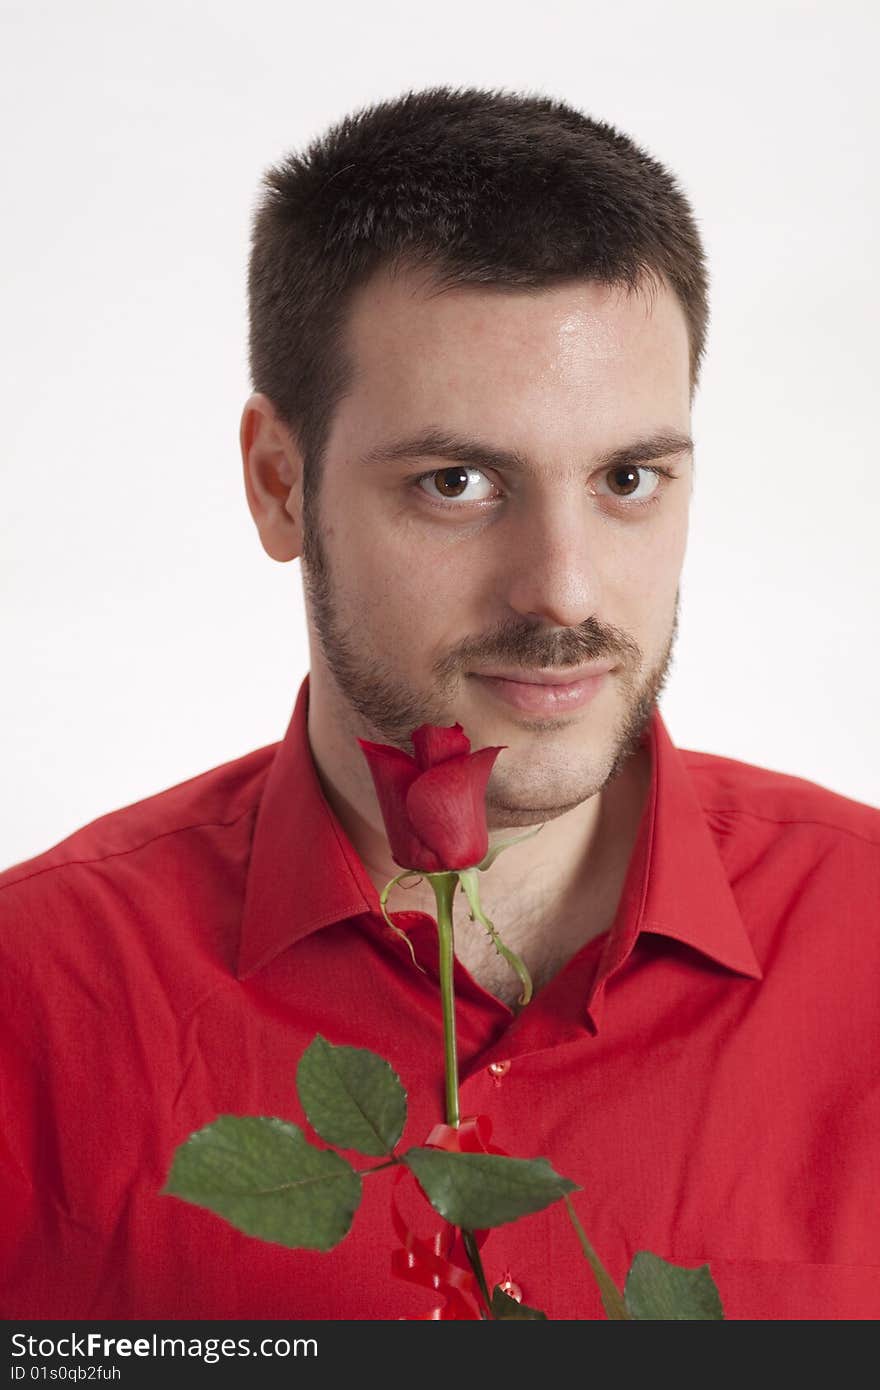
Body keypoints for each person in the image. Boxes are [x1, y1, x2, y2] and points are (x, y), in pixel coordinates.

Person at [1, 85, 878, 1323]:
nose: (562, 590)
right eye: (456, 480)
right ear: (278, 485)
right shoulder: (29, 996)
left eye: (629, 477)